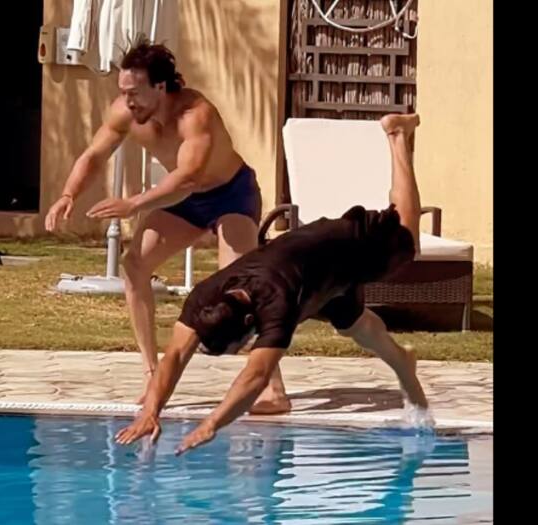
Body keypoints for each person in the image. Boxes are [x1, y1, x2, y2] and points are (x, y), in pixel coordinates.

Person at [114, 113, 431, 455]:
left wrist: (211, 425)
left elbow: (255, 377)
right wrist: (151, 411)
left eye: (241, 345)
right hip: (315, 276)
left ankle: (398, 137)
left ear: (250, 323)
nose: (245, 349)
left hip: (346, 245)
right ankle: (403, 362)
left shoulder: (276, 306)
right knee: (357, 328)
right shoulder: (204, 297)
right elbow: (175, 354)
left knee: (406, 233)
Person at [45, 37, 289, 406]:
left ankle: (273, 390)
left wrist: (133, 204)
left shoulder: (195, 114)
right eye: (123, 92)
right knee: (134, 265)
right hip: (185, 200)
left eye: (135, 92)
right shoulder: (125, 113)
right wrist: (68, 195)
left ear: (160, 86)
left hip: (230, 195)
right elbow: (94, 154)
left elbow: (188, 178)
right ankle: (152, 374)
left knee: (241, 288)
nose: (128, 101)